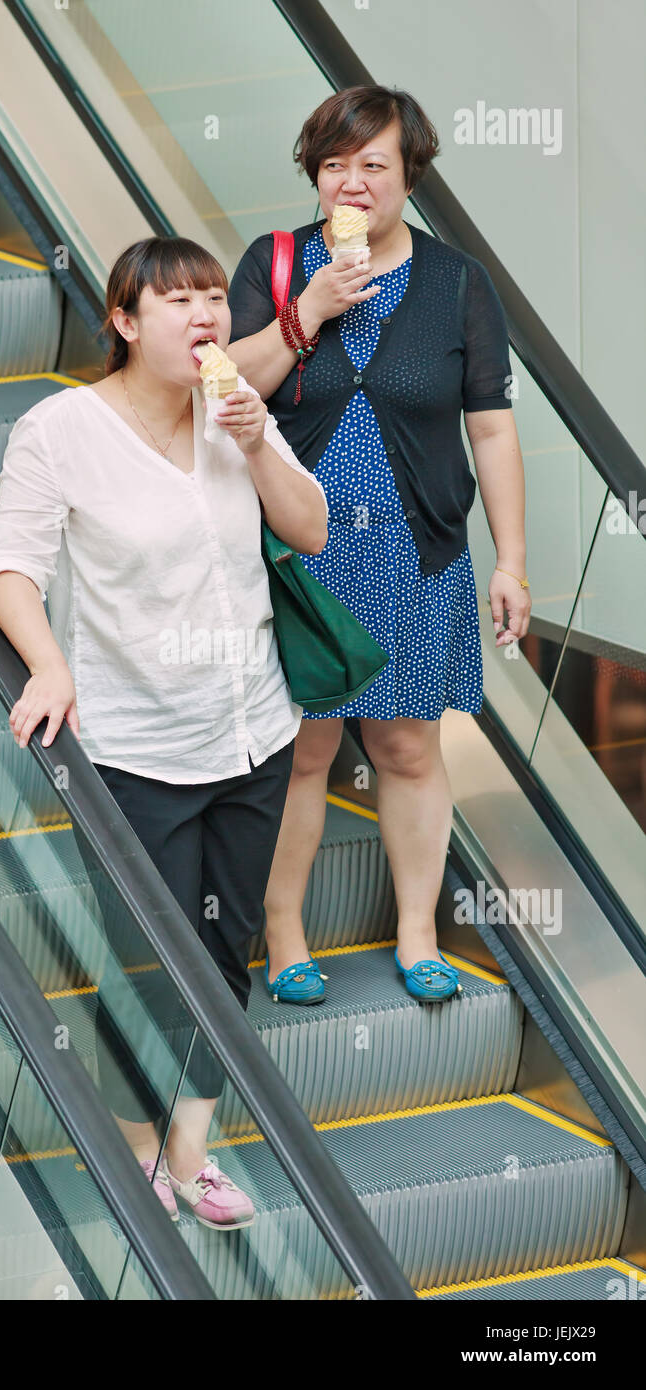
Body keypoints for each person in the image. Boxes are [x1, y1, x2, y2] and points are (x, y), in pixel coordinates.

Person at [0, 236, 328, 1227]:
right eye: (174, 301)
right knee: (144, 957)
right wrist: (49, 663)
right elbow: (10, 565)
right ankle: (133, 1159)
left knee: (223, 952)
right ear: (125, 323)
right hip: (134, 749)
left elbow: (309, 530)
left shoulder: (234, 414)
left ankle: (190, 1152)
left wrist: (256, 438)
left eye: (213, 297)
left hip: (251, 734)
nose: (202, 315)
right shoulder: (60, 431)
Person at [227, 85, 531, 1005]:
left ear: (410, 178)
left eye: (373, 166)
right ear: (313, 176)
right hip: (299, 557)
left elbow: (491, 428)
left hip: (416, 552)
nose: (350, 184)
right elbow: (221, 387)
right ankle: (284, 938)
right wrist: (308, 309)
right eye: (333, 165)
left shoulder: (457, 283)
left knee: (407, 749)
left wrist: (510, 559)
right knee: (305, 753)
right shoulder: (277, 265)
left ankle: (414, 933)